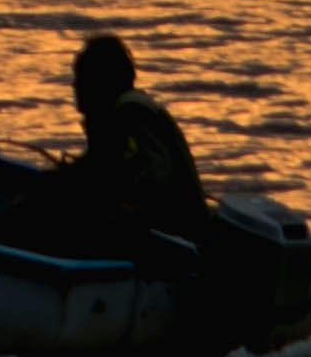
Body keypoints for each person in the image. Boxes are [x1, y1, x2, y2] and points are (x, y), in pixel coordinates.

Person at [58, 26, 213, 264]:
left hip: (173, 243)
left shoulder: (130, 112)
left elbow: (149, 180)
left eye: (80, 78)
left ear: (99, 82)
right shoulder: (122, 112)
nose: (74, 87)